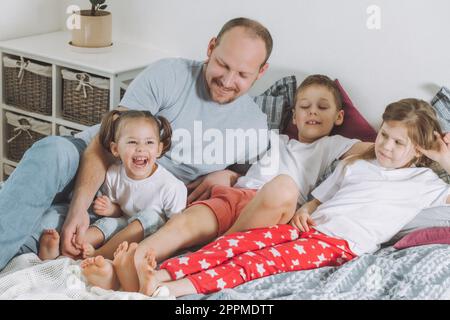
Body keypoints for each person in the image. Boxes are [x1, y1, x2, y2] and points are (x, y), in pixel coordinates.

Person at [106, 97, 450, 297]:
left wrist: (443, 160)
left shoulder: (425, 183)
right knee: (236, 244)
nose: (386, 146)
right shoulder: (358, 163)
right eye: (384, 135)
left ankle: (177, 290)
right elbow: (321, 196)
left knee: (256, 262)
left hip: (342, 245)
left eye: (398, 143)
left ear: (419, 149)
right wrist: (309, 209)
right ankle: (162, 275)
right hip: (309, 228)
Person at [0, 17, 272, 270]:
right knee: (52, 152)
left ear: (261, 72)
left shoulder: (253, 125)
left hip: (131, 204)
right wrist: (78, 209)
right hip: (96, 161)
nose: (227, 80)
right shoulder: (170, 75)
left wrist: (230, 174)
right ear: (211, 47)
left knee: (42, 232)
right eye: (223, 65)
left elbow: (256, 185)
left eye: (242, 75)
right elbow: (105, 143)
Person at [80, 74, 372, 291]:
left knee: (284, 185)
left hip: (273, 208)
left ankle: (204, 257)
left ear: (339, 116)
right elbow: (235, 156)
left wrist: (410, 145)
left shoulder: (333, 145)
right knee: (184, 222)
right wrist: (230, 175)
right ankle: (128, 268)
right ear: (293, 115)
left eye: (322, 107)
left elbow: (375, 148)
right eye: (305, 106)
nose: (312, 112)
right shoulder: (274, 139)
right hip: (235, 195)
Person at [38, 110, 187, 261]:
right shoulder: (113, 175)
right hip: (123, 224)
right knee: (108, 223)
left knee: (148, 217)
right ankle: (66, 249)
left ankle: (98, 254)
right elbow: (120, 211)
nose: (141, 148)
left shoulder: (171, 186)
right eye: (132, 142)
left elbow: (176, 226)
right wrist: (110, 209)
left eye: (149, 142)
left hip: (151, 237)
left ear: (159, 149)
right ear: (116, 149)